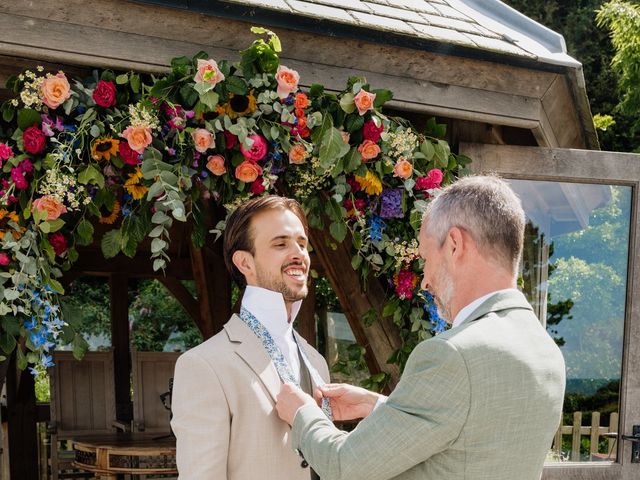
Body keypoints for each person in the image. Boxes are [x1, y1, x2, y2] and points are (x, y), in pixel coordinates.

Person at [276, 175, 566, 480]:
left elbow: (345, 465)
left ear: (455, 245)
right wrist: (382, 407)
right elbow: (476, 431)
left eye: (426, 258)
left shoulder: (454, 355)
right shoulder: (545, 350)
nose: (425, 281)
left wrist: (302, 414)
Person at [171, 195, 330, 479]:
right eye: (280, 243)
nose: (298, 253)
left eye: (302, 243)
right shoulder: (204, 365)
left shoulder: (316, 362)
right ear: (245, 262)